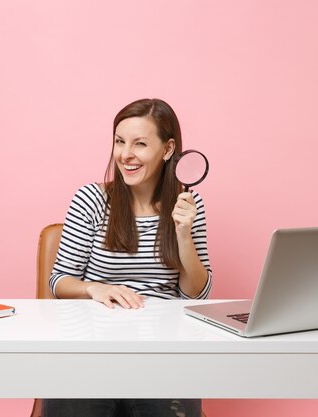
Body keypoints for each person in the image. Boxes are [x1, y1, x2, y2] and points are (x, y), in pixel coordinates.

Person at [42, 98, 212, 417]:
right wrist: (94, 288)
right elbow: (58, 282)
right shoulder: (91, 200)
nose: (125, 155)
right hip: (91, 351)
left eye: (140, 144)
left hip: (162, 353)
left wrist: (183, 234)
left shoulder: (190, 203)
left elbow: (196, 292)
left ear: (167, 149)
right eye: (120, 142)